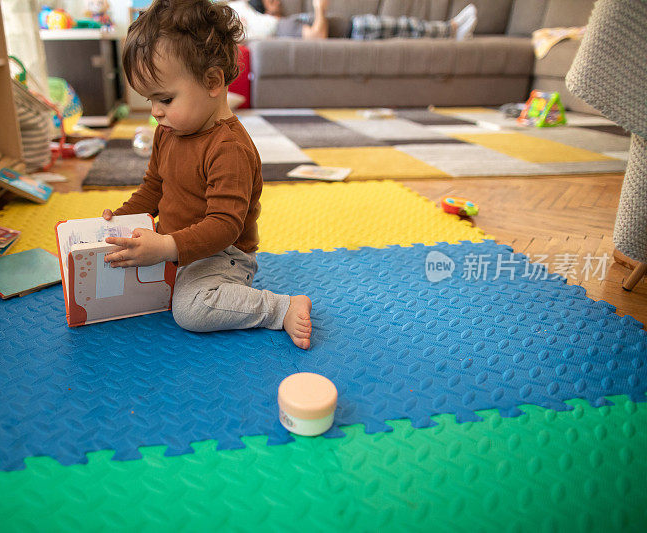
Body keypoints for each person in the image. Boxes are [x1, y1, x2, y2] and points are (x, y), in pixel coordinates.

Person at [101, 0, 313, 350]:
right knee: (119, 269)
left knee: (191, 311)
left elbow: (224, 226)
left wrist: (167, 247)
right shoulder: (167, 132)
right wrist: (117, 223)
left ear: (213, 81)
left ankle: (280, 306)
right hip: (175, 248)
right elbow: (153, 189)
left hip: (221, 253)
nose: (155, 112)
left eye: (165, 99)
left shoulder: (229, 148)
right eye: (149, 99)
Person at [230, 0, 478, 42]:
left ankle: (451, 29)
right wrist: (320, 9)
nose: (280, 3)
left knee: (406, 27)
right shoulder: (280, 25)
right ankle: (451, 30)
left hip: (356, 28)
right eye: (273, 1)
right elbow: (317, 36)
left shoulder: (282, 23)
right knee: (408, 27)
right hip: (356, 30)